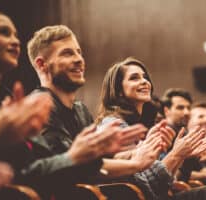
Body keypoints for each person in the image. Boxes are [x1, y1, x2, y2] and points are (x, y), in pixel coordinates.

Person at [25, 25, 160, 198]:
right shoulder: (38, 108)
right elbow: (74, 169)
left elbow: (94, 163)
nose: (79, 59)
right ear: (42, 64)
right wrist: (135, 163)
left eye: (79, 52)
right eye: (67, 53)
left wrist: (135, 154)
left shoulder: (80, 109)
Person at [96, 57, 206, 200]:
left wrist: (184, 157)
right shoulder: (114, 124)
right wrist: (176, 154)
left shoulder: (139, 125)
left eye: (144, 77)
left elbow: (166, 184)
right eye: (134, 78)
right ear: (118, 91)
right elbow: (147, 186)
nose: (144, 81)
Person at [0, 10, 52, 190]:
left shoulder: (8, 99)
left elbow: (34, 165)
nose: (16, 41)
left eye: (16, 35)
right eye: (4, 32)